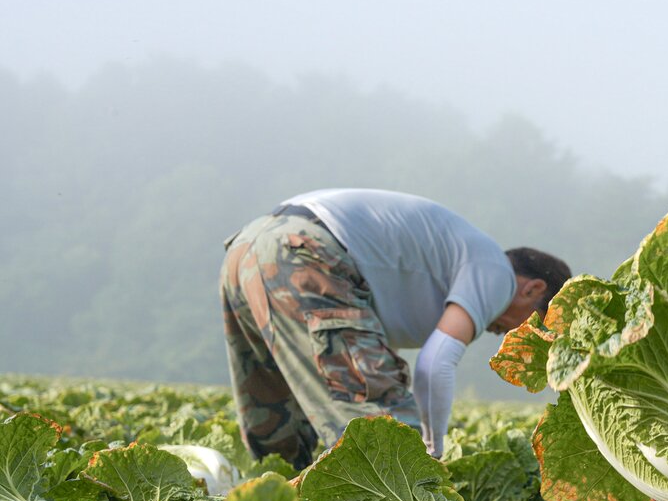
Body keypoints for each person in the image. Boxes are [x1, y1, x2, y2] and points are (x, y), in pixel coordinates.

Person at [220, 188, 570, 467]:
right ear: (533, 289)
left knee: (279, 433)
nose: (512, 336)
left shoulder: (448, 267)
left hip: (248, 248)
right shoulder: (497, 273)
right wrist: (430, 453)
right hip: (304, 250)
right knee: (389, 436)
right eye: (535, 323)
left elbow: (371, 352)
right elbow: (435, 364)